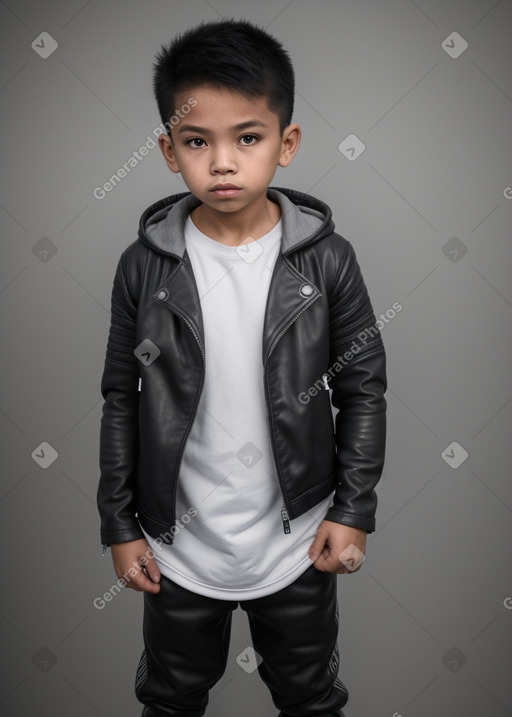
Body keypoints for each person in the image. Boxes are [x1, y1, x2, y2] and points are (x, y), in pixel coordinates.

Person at [97, 18, 387, 717]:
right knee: (169, 698)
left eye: (247, 138)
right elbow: (120, 396)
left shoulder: (328, 259)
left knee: (310, 697)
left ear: (285, 144)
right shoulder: (145, 267)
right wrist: (119, 523)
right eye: (198, 142)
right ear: (169, 151)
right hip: (179, 549)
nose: (222, 162)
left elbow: (364, 388)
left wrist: (354, 510)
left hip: (296, 541)